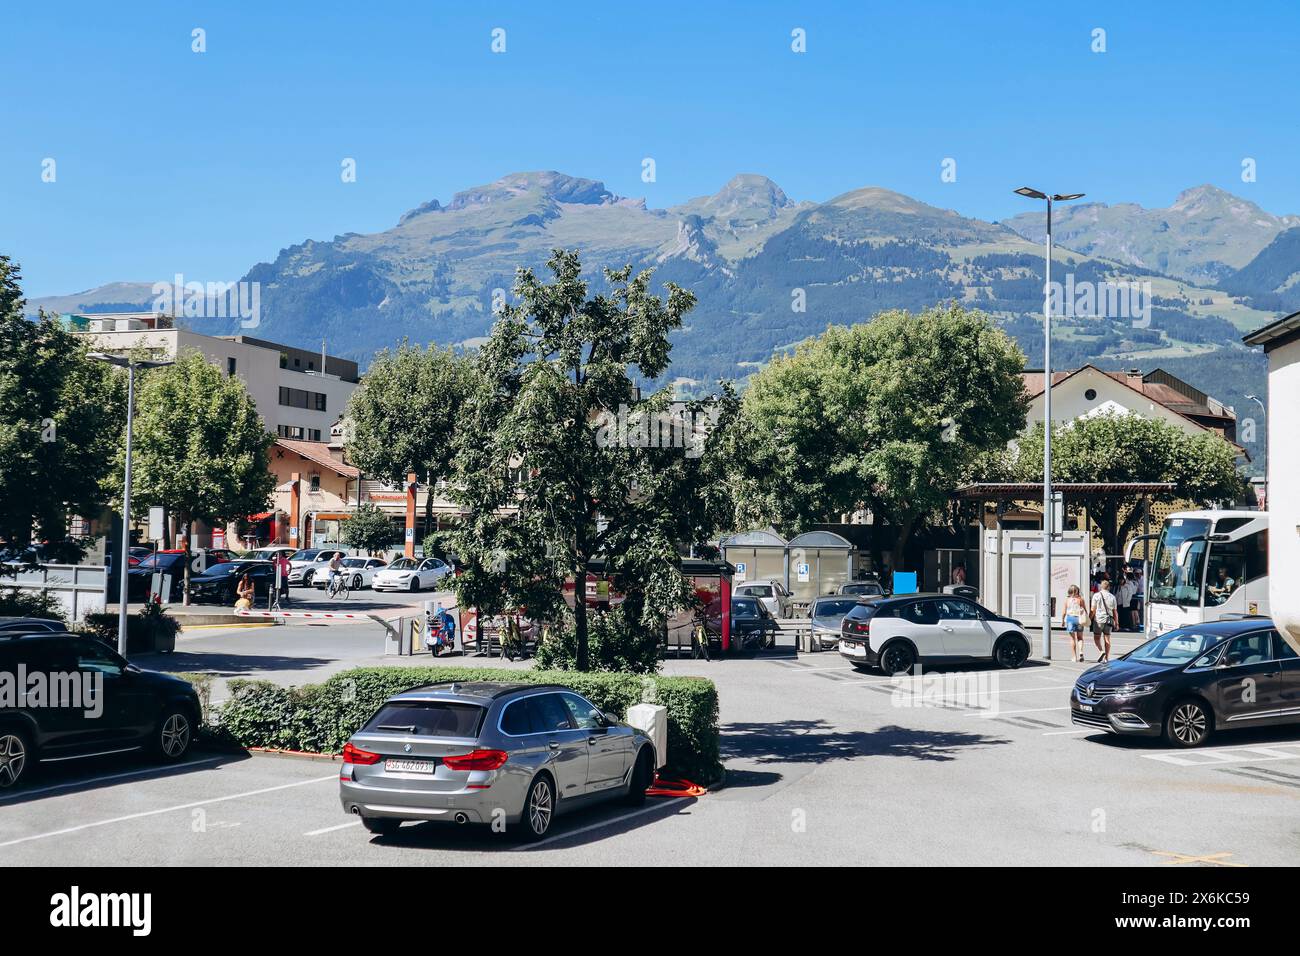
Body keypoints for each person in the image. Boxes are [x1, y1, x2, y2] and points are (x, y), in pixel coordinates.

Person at [1090, 579, 1119, 662]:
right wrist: (1117, 622)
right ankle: (1106, 658)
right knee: (1107, 639)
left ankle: (1101, 651)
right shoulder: (1112, 597)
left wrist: (1090, 619)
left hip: (1098, 620)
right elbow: (1115, 611)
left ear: (1100, 587)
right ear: (1108, 587)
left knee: (1096, 638)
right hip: (1109, 620)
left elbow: (1093, 609)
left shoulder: (1096, 596)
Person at [1061, 585, 1089, 662]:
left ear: (1069, 592)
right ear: (1078, 591)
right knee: (1080, 637)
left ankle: (1074, 657)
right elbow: (1085, 610)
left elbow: (1064, 612)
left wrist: (1063, 620)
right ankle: (1081, 651)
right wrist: (1086, 619)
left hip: (1070, 619)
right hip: (1079, 619)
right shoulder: (1081, 600)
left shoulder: (1067, 600)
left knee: (1072, 638)